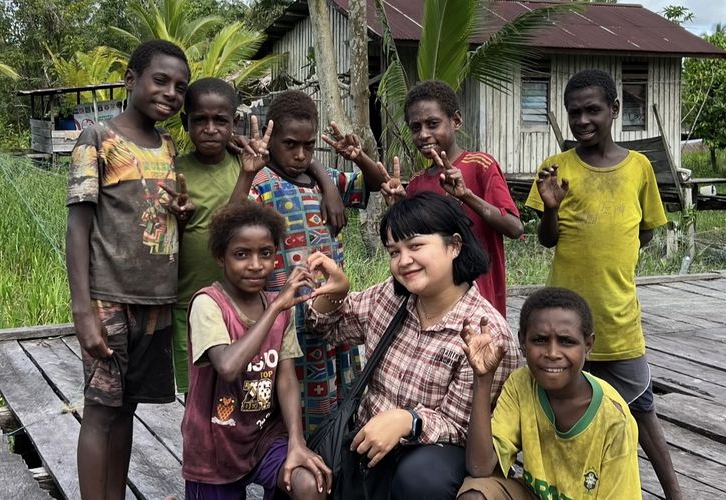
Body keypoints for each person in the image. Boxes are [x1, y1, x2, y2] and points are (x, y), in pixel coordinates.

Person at [525, 69, 680, 499]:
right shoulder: (556, 168)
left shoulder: (639, 168)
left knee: (641, 409)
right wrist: (551, 209)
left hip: (617, 320)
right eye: (573, 112)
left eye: (592, 110)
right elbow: (547, 239)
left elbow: (645, 231)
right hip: (563, 324)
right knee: (559, 409)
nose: (582, 121)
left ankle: (674, 493)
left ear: (614, 109)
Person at [306, 192, 520, 499]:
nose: (403, 261)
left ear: (454, 246)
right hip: (367, 446)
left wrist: (409, 420)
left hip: (429, 458)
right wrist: (336, 292)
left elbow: (462, 429)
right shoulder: (390, 297)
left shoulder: (484, 333)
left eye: (416, 246)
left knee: (420, 476)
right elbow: (327, 328)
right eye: (394, 251)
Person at [65, 39, 192, 499]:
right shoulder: (98, 139)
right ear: (131, 79)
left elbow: (159, 213)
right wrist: (83, 310)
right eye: (160, 80)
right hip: (109, 299)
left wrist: (183, 212)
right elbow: (77, 227)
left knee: (127, 409)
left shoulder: (169, 145)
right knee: (101, 410)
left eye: (180, 87)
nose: (171, 93)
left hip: (156, 301)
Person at [169, 77, 351, 396]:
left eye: (220, 120)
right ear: (186, 122)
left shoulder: (251, 162)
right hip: (215, 301)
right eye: (200, 120)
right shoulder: (249, 172)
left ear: (233, 122)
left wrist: (328, 182)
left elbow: (300, 151)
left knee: (290, 384)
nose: (211, 129)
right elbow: (227, 227)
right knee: (221, 389)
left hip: (299, 305)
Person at [230, 89, 386, 435]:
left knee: (331, 401)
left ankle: (326, 458)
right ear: (271, 138)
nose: (300, 155)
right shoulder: (262, 184)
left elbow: (375, 184)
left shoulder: (324, 179)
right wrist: (248, 174)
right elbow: (232, 225)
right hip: (282, 317)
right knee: (273, 405)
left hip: (329, 315)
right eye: (290, 145)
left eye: (309, 146)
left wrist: (356, 158)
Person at [182, 202, 331, 500]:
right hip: (214, 445)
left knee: (309, 483)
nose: (255, 265)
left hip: (264, 436)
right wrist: (275, 308)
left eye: (265, 253)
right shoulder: (208, 304)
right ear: (220, 257)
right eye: (241, 254)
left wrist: (297, 442)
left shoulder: (281, 308)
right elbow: (227, 366)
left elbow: (286, 379)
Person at [458, 287, 641, 499]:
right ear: (522, 343)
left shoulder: (614, 418)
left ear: (588, 345)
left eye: (566, 341)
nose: (552, 353)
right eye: (540, 340)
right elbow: (480, 467)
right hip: (534, 494)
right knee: (475, 494)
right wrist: (482, 380)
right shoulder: (521, 384)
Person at [380, 80, 523, 318]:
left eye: (433, 124)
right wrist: (399, 208)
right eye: (415, 127)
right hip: (434, 305)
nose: (424, 134)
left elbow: (514, 227)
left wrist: (466, 195)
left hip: (480, 301)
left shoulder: (480, 165)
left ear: (455, 121)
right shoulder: (416, 183)